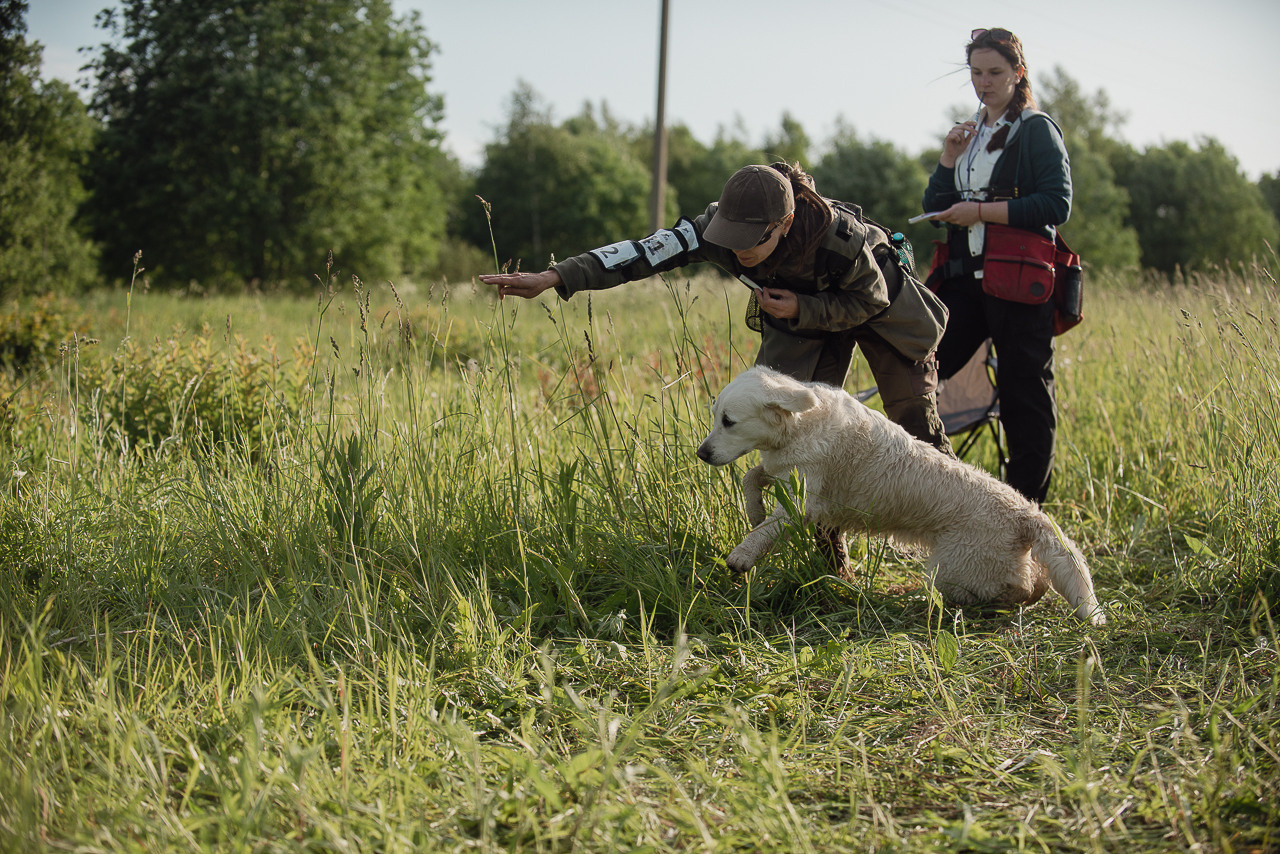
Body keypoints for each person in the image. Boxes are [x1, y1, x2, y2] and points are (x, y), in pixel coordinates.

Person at [480, 162, 954, 574]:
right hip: (796, 314)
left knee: (913, 419)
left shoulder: (838, 239)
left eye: (752, 240)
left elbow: (871, 298)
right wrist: (554, 276)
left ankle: (961, 524)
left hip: (880, 308)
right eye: (732, 237)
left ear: (784, 222)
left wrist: (802, 309)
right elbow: (641, 252)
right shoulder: (716, 231)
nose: (739, 250)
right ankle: (830, 564)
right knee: (790, 430)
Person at [922, 28, 1072, 504]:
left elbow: (1057, 204)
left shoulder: (1037, 129)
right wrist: (948, 159)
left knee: (1023, 396)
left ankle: (1025, 516)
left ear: (1018, 73)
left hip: (1019, 281)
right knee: (920, 366)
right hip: (965, 282)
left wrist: (981, 211)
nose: (984, 83)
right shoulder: (969, 132)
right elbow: (934, 203)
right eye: (976, 73)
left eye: (995, 73)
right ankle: (926, 491)